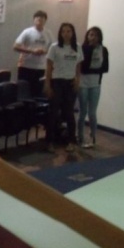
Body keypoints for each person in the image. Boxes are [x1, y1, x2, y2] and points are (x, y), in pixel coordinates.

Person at [44, 22, 82, 153]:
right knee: (53, 112)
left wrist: (77, 80)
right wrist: (47, 84)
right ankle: (49, 141)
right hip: (57, 82)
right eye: (63, 31)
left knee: (69, 113)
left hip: (70, 83)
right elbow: (49, 67)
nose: (66, 34)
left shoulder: (77, 47)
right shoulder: (54, 47)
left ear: (73, 33)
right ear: (60, 33)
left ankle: (71, 141)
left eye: (69, 31)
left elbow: (78, 66)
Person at [78, 26, 109, 148]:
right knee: (82, 112)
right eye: (91, 35)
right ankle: (80, 136)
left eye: (96, 35)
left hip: (96, 84)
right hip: (83, 83)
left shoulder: (103, 50)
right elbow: (83, 68)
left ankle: (93, 136)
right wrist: (90, 49)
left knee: (92, 112)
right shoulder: (83, 48)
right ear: (87, 36)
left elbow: (105, 68)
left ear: (99, 37)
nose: (93, 37)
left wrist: (93, 69)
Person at [14, 10, 54, 97]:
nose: (39, 20)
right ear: (34, 20)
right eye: (37, 18)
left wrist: (44, 51)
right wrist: (32, 51)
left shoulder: (48, 33)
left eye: (42, 18)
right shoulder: (27, 32)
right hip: (26, 67)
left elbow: (52, 50)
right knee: (23, 93)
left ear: (45, 20)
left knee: (38, 93)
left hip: (41, 68)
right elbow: (16, 46)